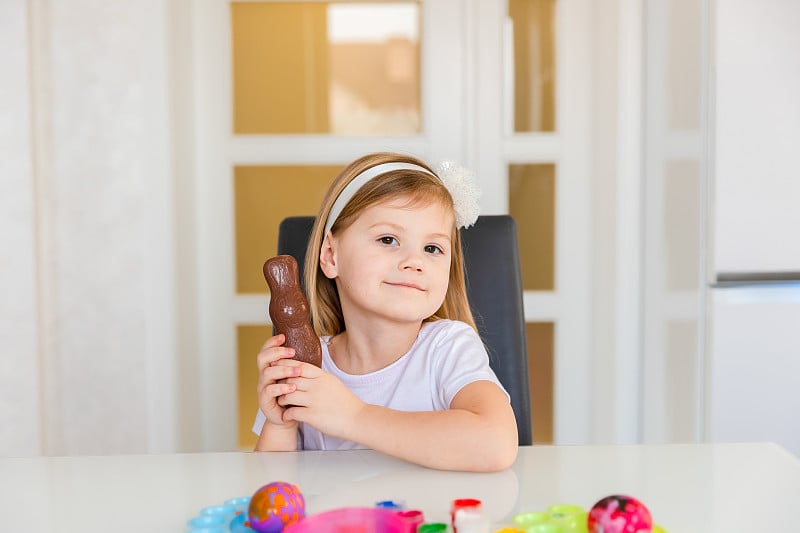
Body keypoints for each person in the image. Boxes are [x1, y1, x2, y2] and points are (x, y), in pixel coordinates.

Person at [252, 152, 518, 472]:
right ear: (331, 255)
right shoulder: (306, 368)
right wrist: (279, 424)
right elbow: (272, 493)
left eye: (432, 248)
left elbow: (495, 445)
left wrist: (355, 417)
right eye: (388, 239)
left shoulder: (448, 349)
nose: (413, 261)